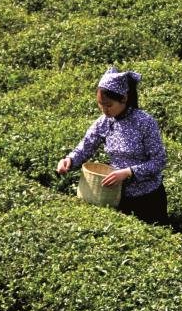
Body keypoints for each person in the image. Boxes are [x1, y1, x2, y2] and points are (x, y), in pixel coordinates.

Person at [57, 67, 168, 225]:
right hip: (117, 196)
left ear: (124, 98)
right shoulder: (104, 122)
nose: (104, 110)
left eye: (108, 105)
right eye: (100, 104)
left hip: (148, 197)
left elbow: (159, 161)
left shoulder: (145, 122)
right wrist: (69, 160)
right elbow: (86, 146)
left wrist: (128, 172)